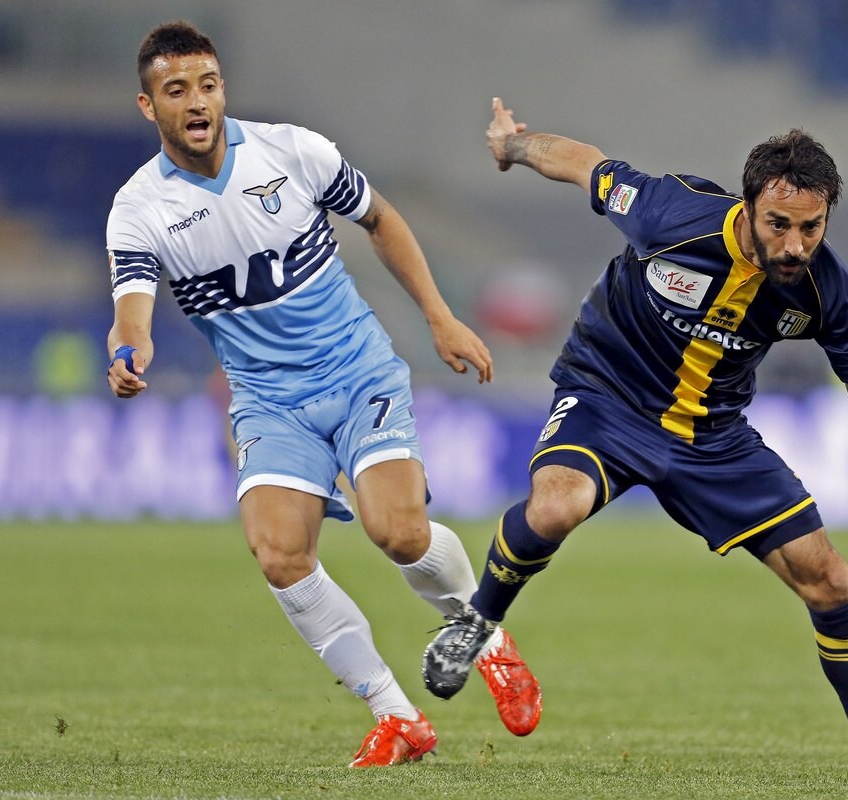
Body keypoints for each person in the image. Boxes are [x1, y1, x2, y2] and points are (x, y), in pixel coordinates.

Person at [422, 97, 848, 779]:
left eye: (811, 227)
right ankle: (477, 622)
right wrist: (512, 146)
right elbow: (582, 163)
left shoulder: (828, 292)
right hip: (608, 396)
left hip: (713, 436)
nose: (795, 244)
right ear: (747, 207)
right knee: (556, 506)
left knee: (831, 580)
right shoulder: (669, 215)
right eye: (779, 223)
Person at [104, 23, 541, 767]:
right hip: (268, 400)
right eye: (177, 90)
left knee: (397, 533)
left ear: (222, 88)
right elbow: (132, 314)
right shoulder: (140, 208)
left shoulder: (292, 151)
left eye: (208, 84)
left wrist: (438, 316)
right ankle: (397, 716)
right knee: (279, 554)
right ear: (149, 106)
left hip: (356, 370)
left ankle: (488, 637)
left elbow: (381, 219)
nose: (198, 101)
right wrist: (128, 354)